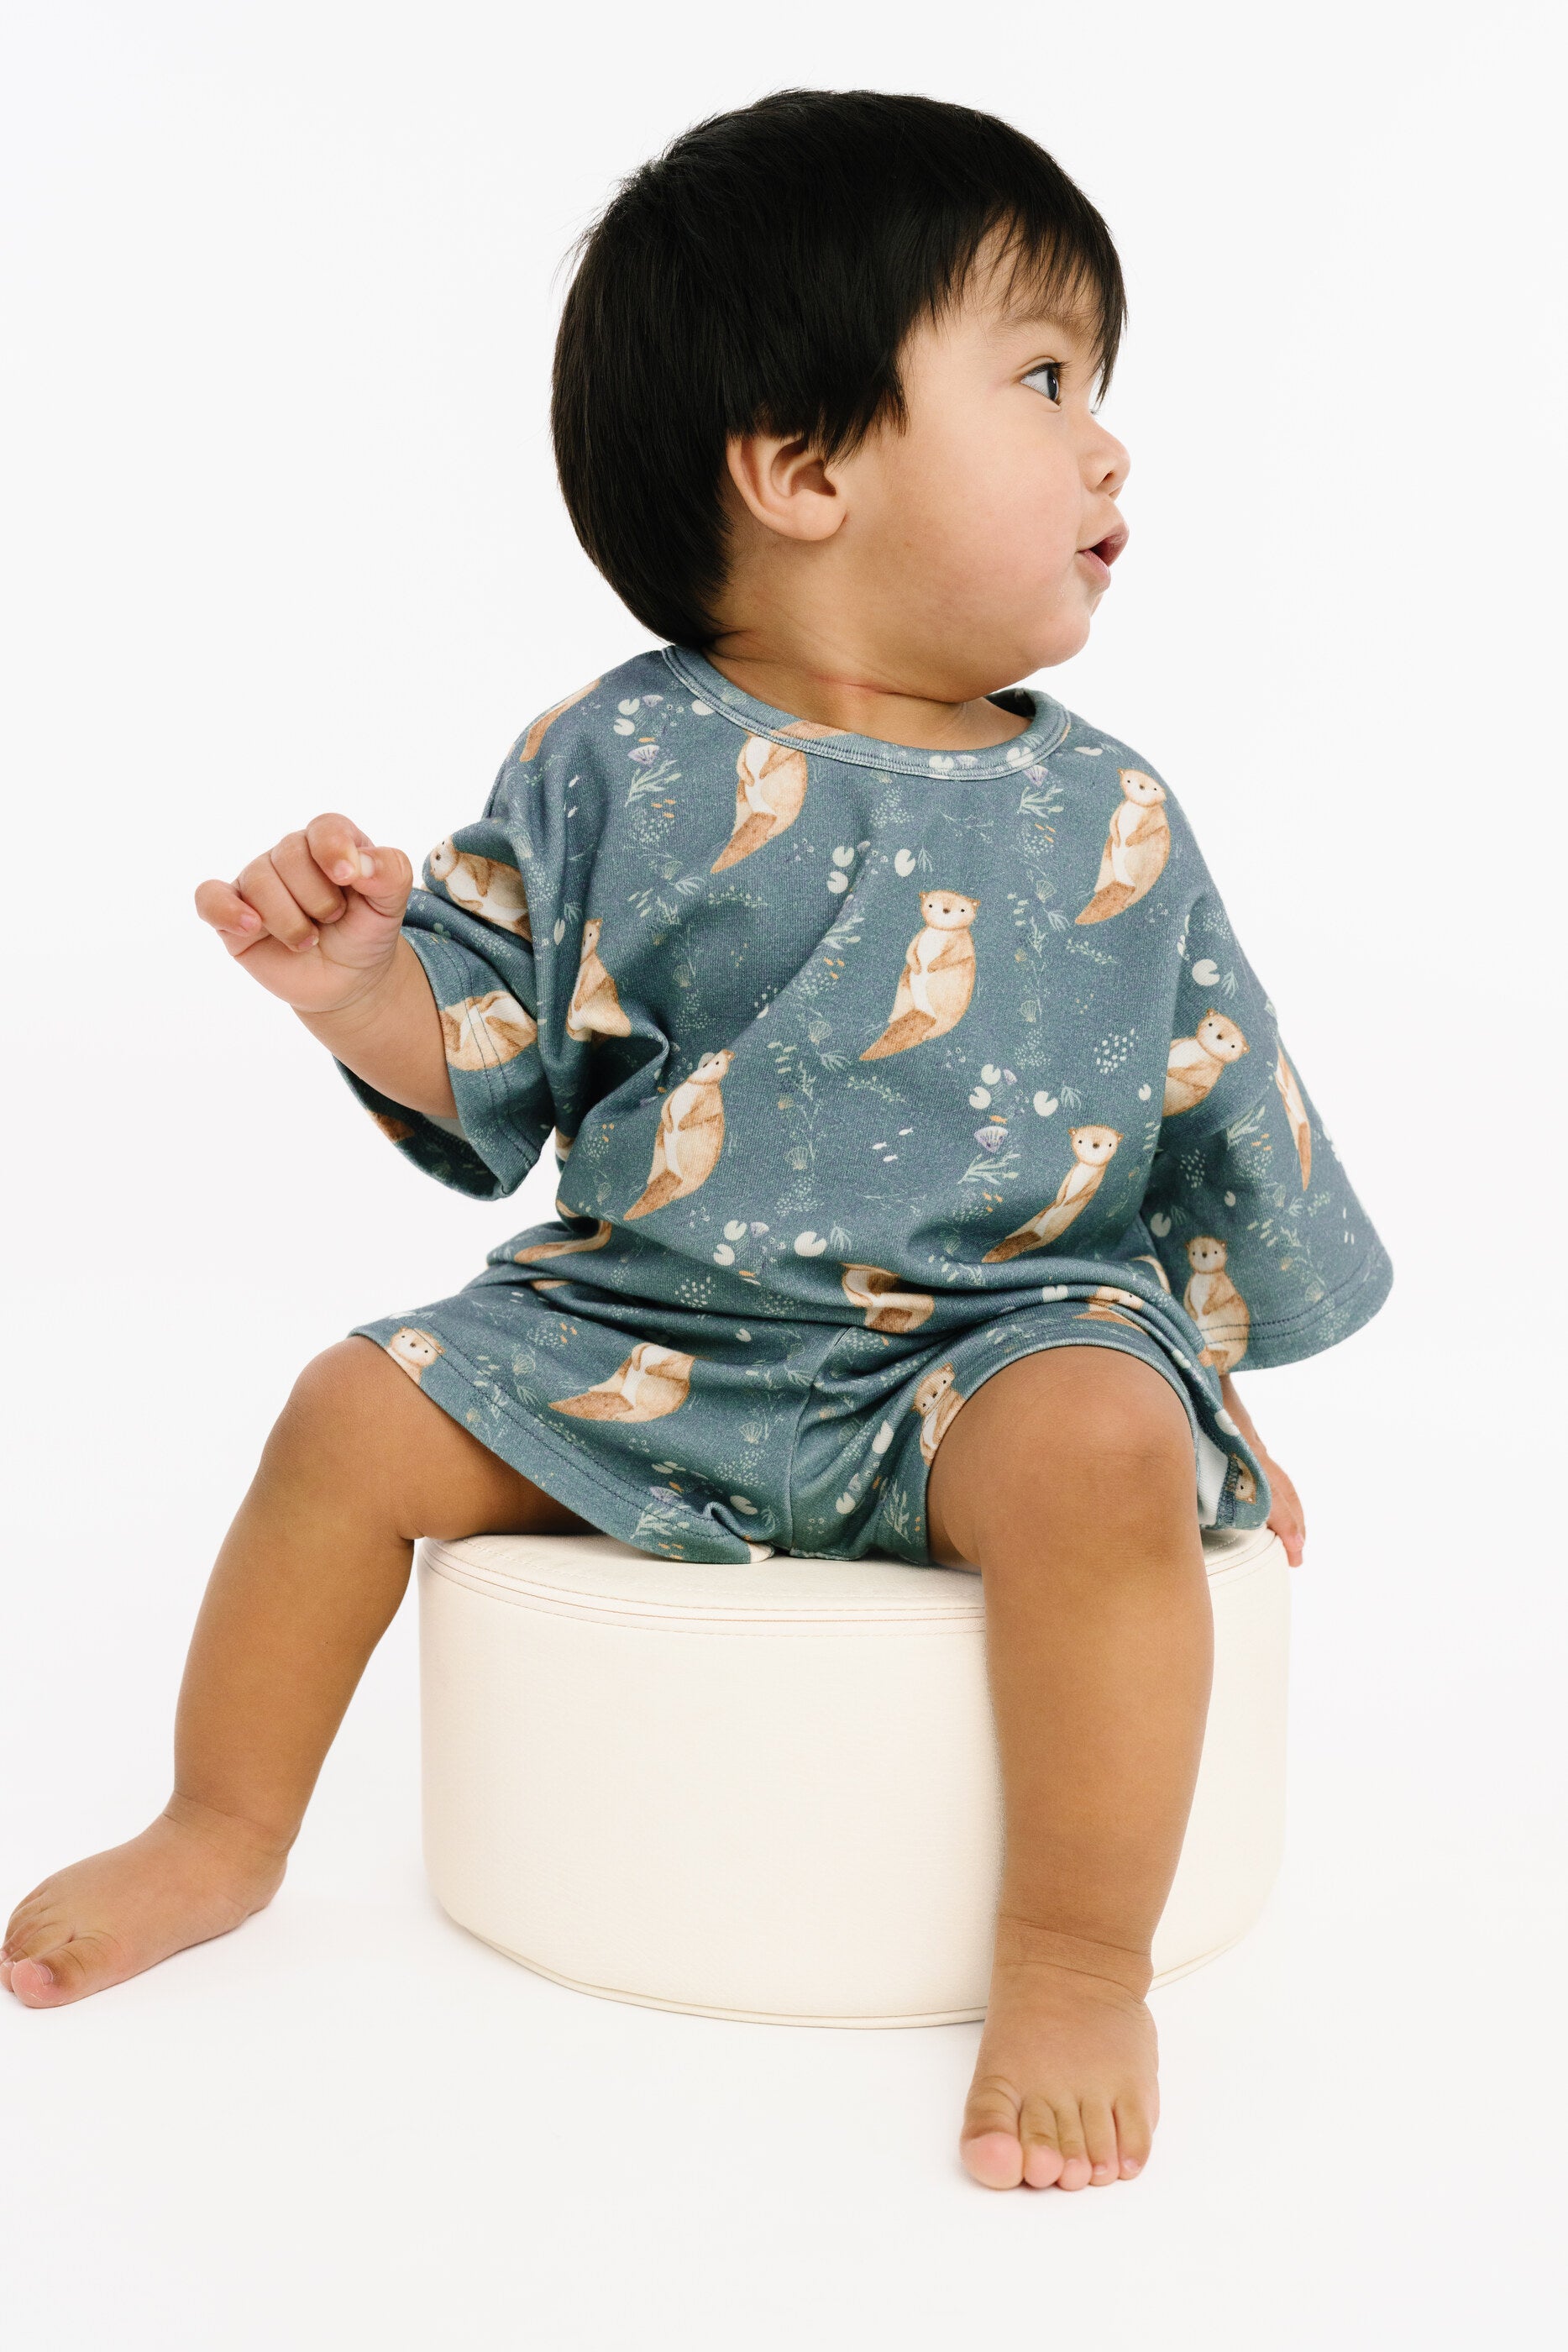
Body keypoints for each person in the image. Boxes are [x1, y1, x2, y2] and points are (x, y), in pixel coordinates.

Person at [2, 89, 1391, 2194]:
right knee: (346, 1412)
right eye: (1041, 379)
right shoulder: (614, 755)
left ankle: (1072, 1953)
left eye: (1099, 389)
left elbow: (1211, 1106)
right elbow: (496, 1046)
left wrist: (1205, 1400)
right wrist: (362, 984)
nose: (1107, 447)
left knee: (1105, 1445)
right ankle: (221, 1819)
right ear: (802, 467)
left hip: (991, 1345)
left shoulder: (1111, 812)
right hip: (647, 1319)